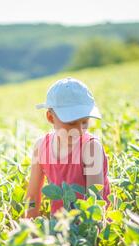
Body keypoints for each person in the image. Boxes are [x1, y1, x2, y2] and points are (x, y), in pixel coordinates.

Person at [25, 77, 110, 218]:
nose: (79, 130)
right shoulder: (41, 147)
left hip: (90, 229)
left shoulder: (90, 148)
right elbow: (32, 197)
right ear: (50, 118)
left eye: (84, 122)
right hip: (59, 226)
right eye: (71, 123)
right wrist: (26, 225)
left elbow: (94, 203)